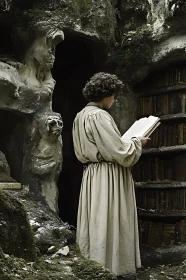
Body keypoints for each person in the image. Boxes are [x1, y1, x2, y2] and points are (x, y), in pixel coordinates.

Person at [72, 72, 149, 277]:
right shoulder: (99, 115)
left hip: (93, 174)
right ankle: (112, 267)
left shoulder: (80, 115)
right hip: (108, 174)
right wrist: (136, 143)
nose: (114, 100)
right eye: (113, 95)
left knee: (97, 217)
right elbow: (119, 151)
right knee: (110, 216)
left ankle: (97, 264)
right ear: (104, 94)